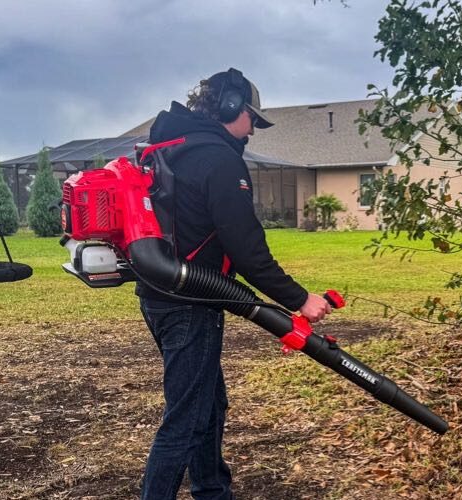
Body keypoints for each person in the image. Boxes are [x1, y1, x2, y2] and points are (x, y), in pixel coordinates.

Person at [136, 67, 331, 500]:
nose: (253, 131)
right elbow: (247, 251)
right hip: (190, 302)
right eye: (252, 120)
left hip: (162, 295)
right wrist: (300, 299)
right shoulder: (219, 160)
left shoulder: (174, 146)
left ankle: (212, 490)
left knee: (208, 402)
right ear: (229, 108)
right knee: (185, 418)